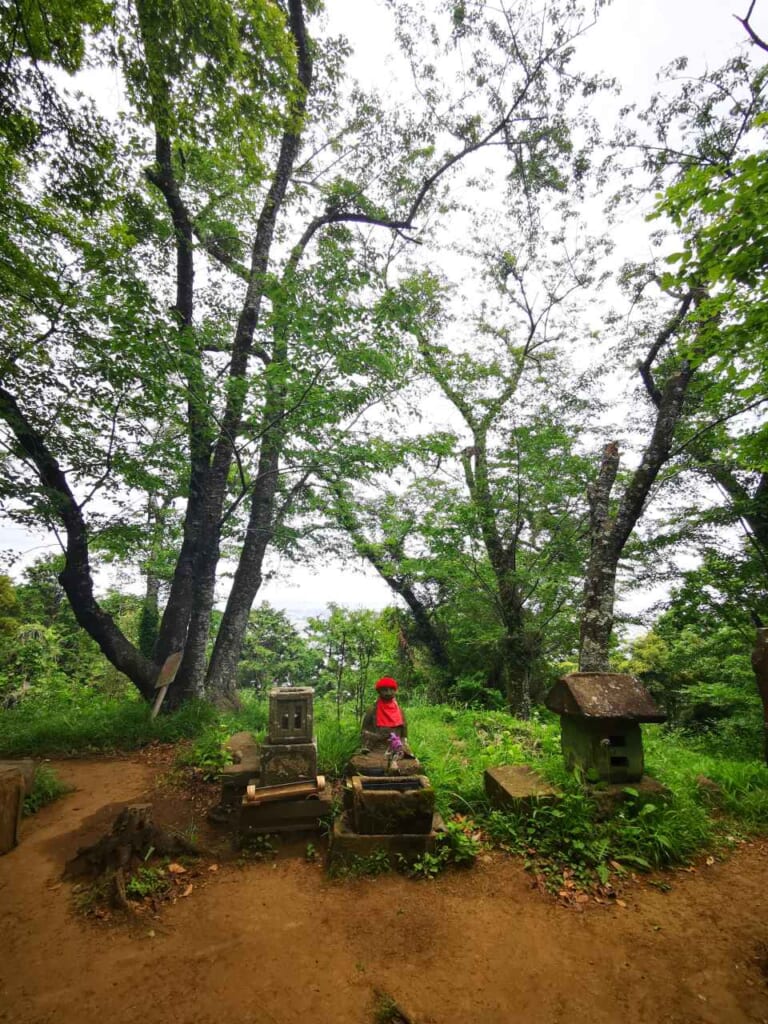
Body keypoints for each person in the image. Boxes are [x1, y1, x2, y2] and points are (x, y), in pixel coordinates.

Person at [360, 677, 412, 753]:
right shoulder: (372, 710)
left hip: (394, 743)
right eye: (385, 690)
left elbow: (404, 733)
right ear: (379, 692)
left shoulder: (400, 711)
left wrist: (404, 741)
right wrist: (375, 736)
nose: (388, 693)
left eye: (391, 690)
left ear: (395, 691)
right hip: (376, 744)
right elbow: (364, 729)